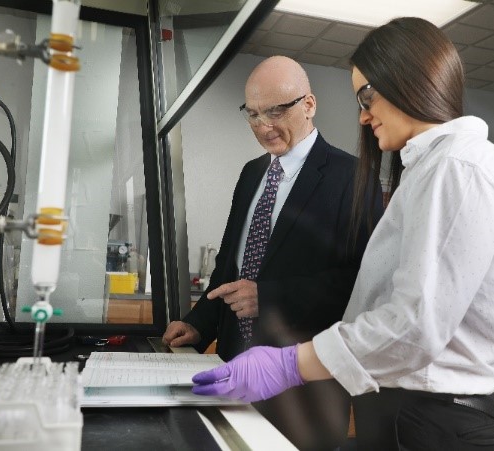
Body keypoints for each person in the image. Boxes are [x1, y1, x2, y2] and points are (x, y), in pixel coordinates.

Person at [190, 17, 494, 451]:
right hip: (399, 410)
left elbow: (414, 325)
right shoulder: (429, 171)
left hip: (432, 419)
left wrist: (290, 364)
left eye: (368, 95)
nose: (364, 115)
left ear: (409, 81)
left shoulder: (458, 169)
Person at [162, 56, 384, 450]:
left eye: (276, 111)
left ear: (309, 105)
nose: (263, 126)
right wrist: (199, 324)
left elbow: (363, 284)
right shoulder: (251, 175)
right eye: (253, 114)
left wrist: (269, 297)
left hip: (304, 389)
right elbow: (230, 266)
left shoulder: (353, 176)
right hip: (233, 371)